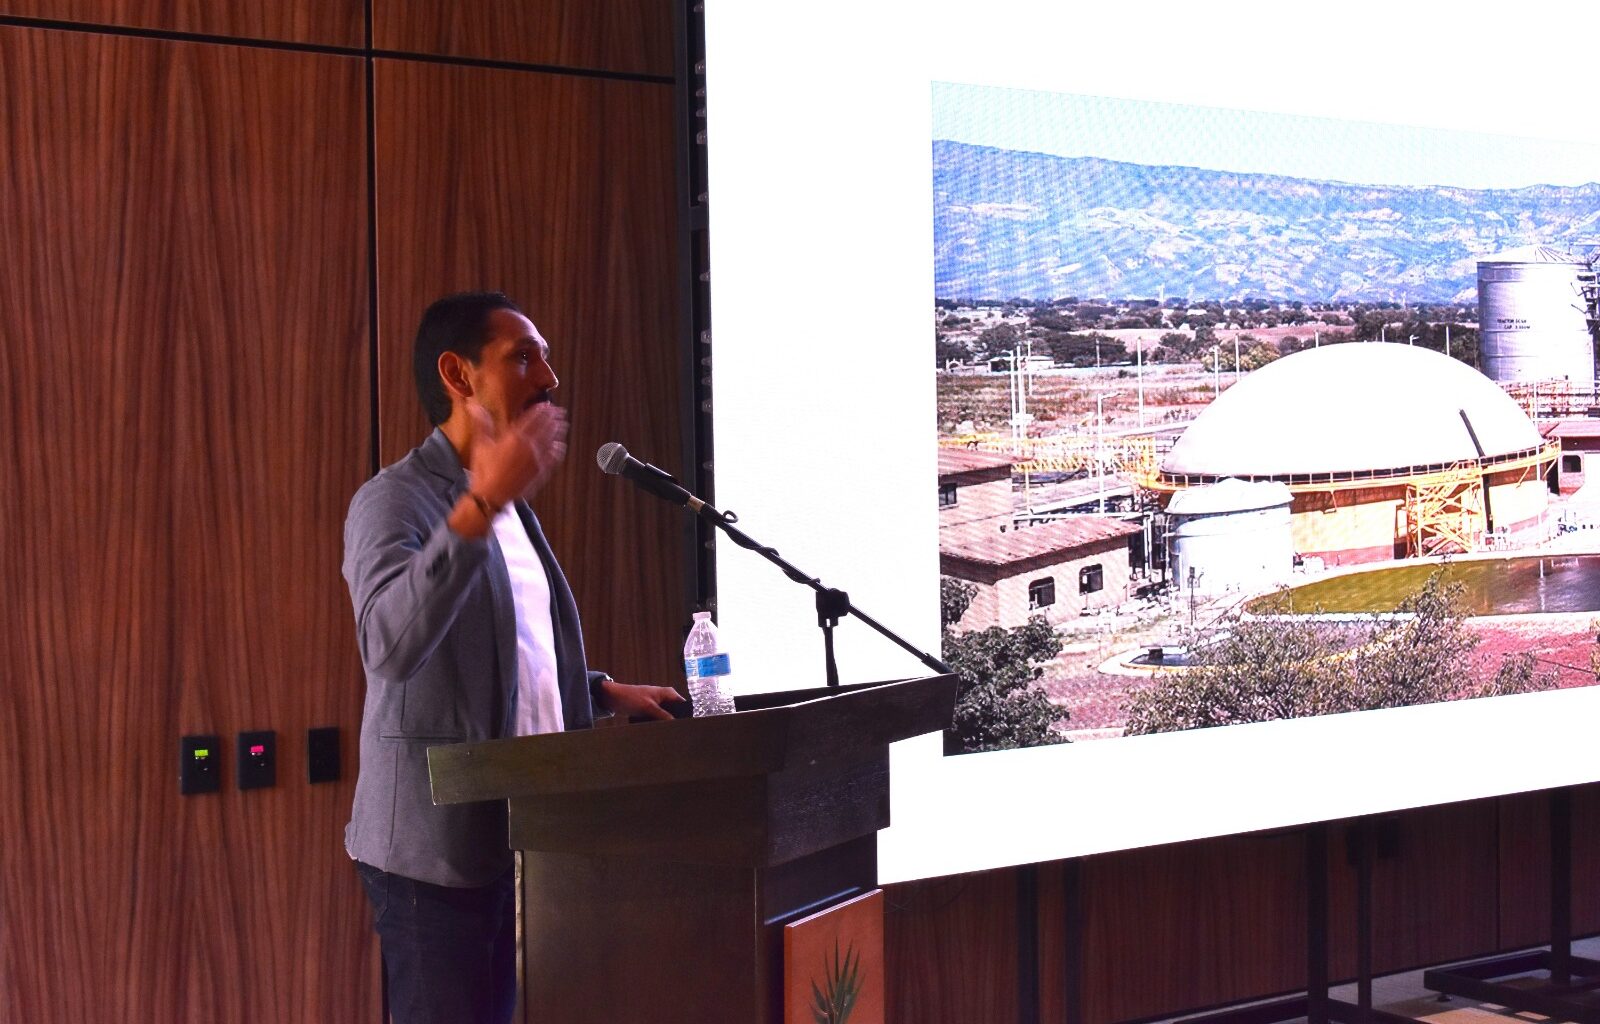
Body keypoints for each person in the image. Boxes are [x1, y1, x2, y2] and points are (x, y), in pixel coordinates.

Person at [341, 291, 681, 1024]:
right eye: (523, 358)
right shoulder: (394, 500)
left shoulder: (511, 503)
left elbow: (511, 651)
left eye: (547, 359)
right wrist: (484, 502)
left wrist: (600, 690)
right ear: (457, 375)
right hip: (436, 858)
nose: (549, 379)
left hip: (530, 839)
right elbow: (389, 647)